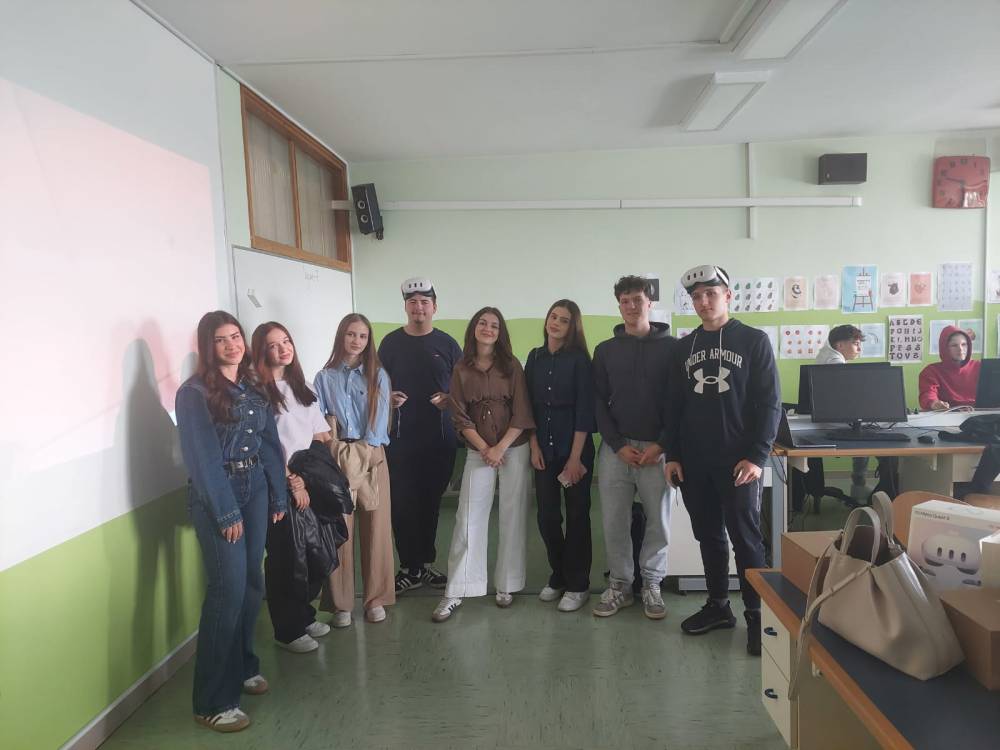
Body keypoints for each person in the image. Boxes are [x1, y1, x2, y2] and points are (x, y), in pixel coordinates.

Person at [176, 311, 287, 733]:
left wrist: (277, 491)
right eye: (221, 339)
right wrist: (225, 511)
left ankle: (243, 667)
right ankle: (212, 701)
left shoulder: (254, 384)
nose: (231, 345)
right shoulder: (193, 393)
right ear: (208, 346)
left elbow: (269, 443)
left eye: (236, 336)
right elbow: (202, 458)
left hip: (254, 486)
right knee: (227, 591)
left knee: (252, 584)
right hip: (218, 493)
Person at [664, 265, 781, 656]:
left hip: (738, 463)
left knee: (747, 540)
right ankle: (718, 606)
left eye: (711, 294)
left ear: (728, 296)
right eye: (696, 296)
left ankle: (757, 615)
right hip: (695, 462)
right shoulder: (683, 348)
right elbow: (673, 407)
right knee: (709, 536)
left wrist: (757, 456)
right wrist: (673, 455)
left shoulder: (753, 341)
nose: (703, 302)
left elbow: (770, 403)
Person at [431, 307, 535, 622]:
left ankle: (507, 584)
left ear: (500, 332)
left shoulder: (512, 366)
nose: (488, 328)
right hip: (479, 451)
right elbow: (460, 416)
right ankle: (457, 589)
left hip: (513, 448)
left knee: (512, 515)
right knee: (467, 517)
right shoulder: (461, 369)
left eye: (494, 325)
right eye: (482, 323)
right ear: (474, 329)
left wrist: (500, 447)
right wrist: (486, 449)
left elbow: (522, 412)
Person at [591, 276, 675, 620]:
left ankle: (652, 584)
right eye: (624, 301)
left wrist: (662, 443)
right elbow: (598, 402)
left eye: (637, 300)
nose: (631, 306)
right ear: (619, 305)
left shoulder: (672, 349)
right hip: (617, 450)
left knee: (659, 521)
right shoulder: (605, 351)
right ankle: (620, 586)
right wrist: (616, 444)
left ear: (650, 302)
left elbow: (679, 402)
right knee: (614, 521)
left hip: (657, 450)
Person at [251, 322, 334, 654]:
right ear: (261, 351)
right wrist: (291, 480)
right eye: (273, 345)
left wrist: (313, 476)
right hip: (278, 482)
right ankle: (287, 630)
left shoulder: (303, 387)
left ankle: (304, 615)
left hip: (307, 479)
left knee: (314, 554)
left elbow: (319, 435)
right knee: (286, 558)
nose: (283, 348)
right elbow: (265, 445)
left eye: (286, 341)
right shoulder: (258, 392)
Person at [377, 277, 463, 594]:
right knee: (402, 503)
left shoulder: (448, 344)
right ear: (405, 307)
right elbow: (375, 383)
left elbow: (463, 387)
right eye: (412, 302)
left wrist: (450, 398)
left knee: (430, 503)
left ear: (434, 307)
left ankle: (424, 564)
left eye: (425, 302)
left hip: (439, 440)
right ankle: (408, 567)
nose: (419, 307)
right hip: (399, 439)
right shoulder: (390, 343)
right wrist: (387, 397)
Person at [314, 314, 395, 627]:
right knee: (339, 531)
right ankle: (341, 604)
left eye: (362, 336)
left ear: (368, 340)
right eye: (351, 334)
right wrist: (337, 452)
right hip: (336, 457)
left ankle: (376, 599)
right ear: (341, 336)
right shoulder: (324, 377)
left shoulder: (378, 376)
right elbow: (321, 421)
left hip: (371, 456)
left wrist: (358, 457)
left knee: (377, 530)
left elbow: (378, 423)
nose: (356, 341)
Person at [525, 300, 596, 612]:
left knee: (578, 516)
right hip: (544, 450)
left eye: (564, 320)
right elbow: (527, 406)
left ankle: (578, 584)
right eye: (553, 317)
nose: (555, 323)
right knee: (547, 516)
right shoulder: (534, 357)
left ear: (572, 327)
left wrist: (575, 458)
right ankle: (559, 574)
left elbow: (585, 410)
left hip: (574, 450)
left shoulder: (580, 361)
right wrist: (534, 446)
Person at [919, 325, 981, 411]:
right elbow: (927, 394)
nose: (960, 349)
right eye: (954, 345)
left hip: (980, 415)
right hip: (947, 415)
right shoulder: (931, 371)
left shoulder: (980, 367)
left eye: (964, 344)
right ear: (945, 348)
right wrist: (934, 404)